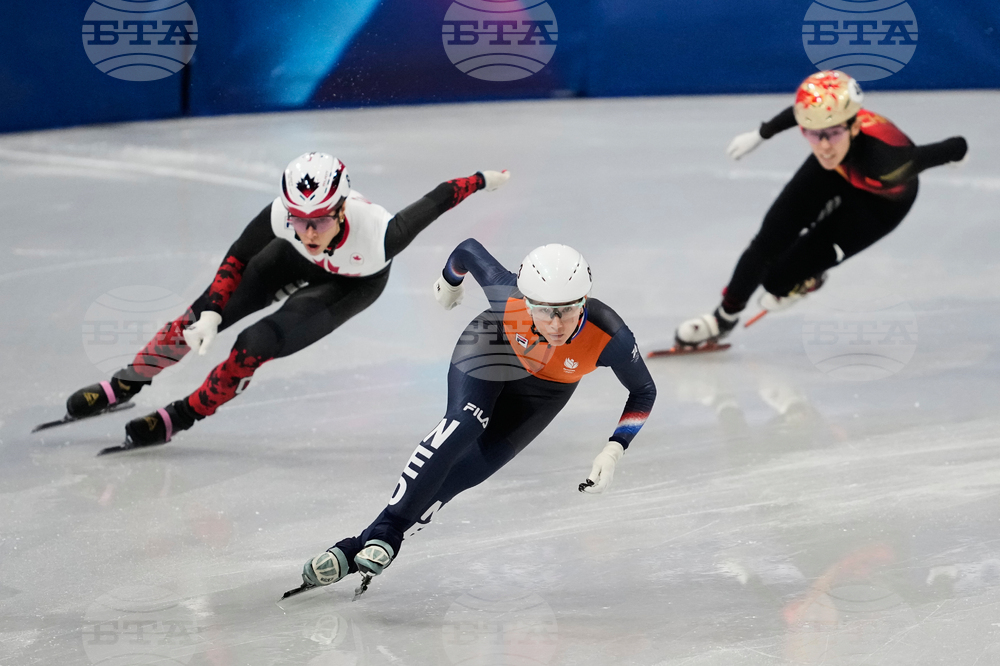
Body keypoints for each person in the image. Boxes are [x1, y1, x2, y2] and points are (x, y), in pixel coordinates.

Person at [63, 152, 510, 449]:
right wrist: (213, 311)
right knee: (198, 315)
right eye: (299, 219)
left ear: (341, 209)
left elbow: (440, 196)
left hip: (352, 283)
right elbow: (238, 256)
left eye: (318, 221)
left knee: (254, 344)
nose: (308, 231)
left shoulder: (381, 235)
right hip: (289, 262)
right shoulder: (287, 221)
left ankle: (182, 415)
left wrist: (486, 180)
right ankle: (129, 381)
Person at [298, 239, 657, 590]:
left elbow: (643, 390)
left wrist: (615, 448)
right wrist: (449, 282)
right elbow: (467, 251)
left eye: (568, 308)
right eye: (545, 310)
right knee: (465, 424)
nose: (557, 323)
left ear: (585, 300)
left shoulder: (612, 336)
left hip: (546, 391)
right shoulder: (509, 297)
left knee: (468, 472)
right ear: (527, 302)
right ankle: (389, 531)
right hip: (491, 349)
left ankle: (359, 545)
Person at [675, 70, 968, 348]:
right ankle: (722, 318)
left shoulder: (890, 163)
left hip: (880, 204)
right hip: (836, 172)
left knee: (777, 281)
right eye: (813, 134)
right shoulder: (828, 138)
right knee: (767, 242)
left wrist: (958, 154)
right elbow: (802, 114)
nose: (824, 146)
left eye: (834, 133)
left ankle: (809, 279)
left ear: (854, 126)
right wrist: (761, 134)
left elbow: (952, 146)